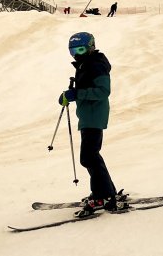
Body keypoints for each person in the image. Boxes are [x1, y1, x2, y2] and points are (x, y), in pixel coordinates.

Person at [58, 32, 126, 216]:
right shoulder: (85, 64)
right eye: (73, 51)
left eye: (80, 49)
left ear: (90, 47)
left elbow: (103, 91)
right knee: (91, 156)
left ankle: (102, 195)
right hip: (88, 116)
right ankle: (107, 192)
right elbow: (86, 88)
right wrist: (70, 94)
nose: (76, 54)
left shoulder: (96, 65)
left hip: (94, 116)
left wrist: (78, 94)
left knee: (88, 157)